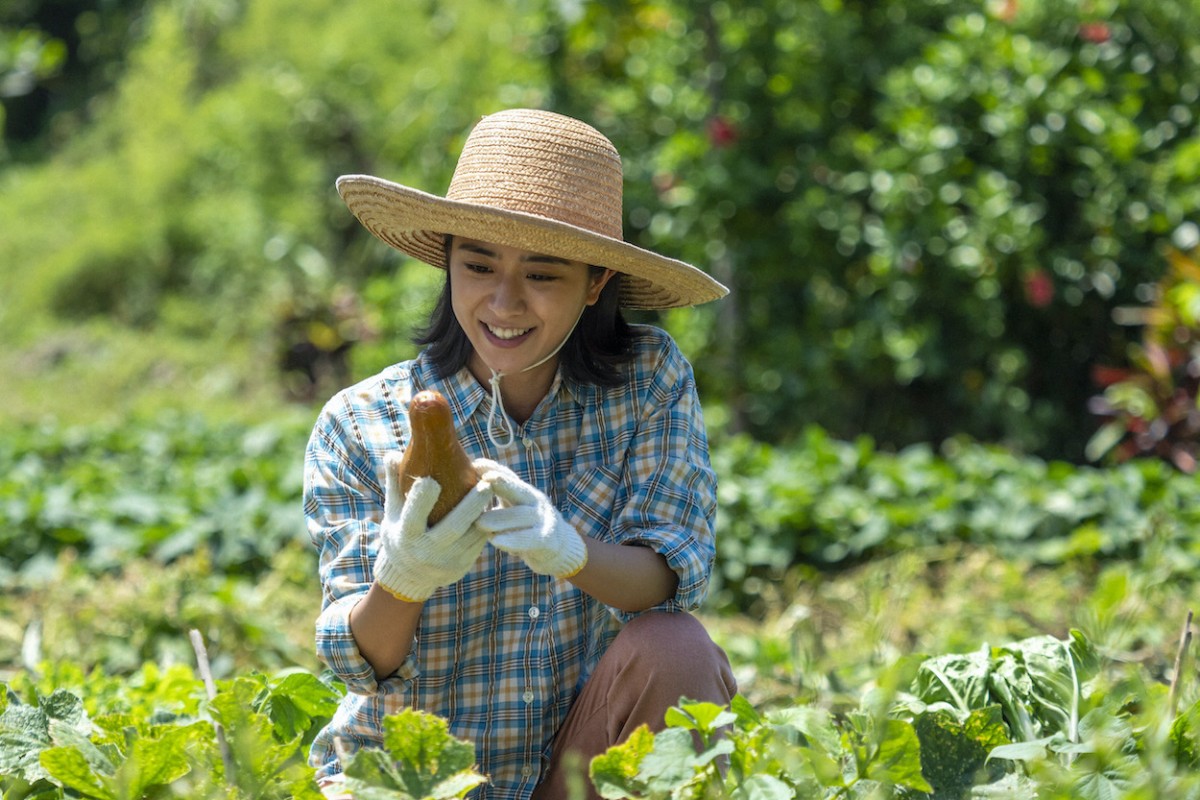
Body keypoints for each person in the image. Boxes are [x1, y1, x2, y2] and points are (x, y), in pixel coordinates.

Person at [305, 108, 736, 800]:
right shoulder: (360, 423)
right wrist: (404, 577)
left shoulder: (647, 381)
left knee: (675, 648)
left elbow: (670, 570)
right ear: (447, 259)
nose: (504, 301)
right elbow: (361, 662)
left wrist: (569, 550)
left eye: (543, 275)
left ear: (595, 283)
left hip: (573, 772)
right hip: (411, 779)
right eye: (478, 264)